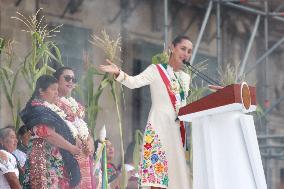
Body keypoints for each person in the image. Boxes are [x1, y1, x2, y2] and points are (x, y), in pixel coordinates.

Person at [99, 36, 192, 189]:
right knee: (157, 178)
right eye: (183, 49)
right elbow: (133, 82)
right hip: (159, 128)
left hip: (176, 131)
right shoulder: (156, 70)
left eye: (189, 51)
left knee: (175, 180)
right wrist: (118, 73)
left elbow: (183, 105)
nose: (186, 54)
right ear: (172, 47)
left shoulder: (185, 78)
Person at [20, 75, 81, 188]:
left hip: (53, 160)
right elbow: (47, 134)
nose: (56, 93)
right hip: (43, 159)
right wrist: (71, 148)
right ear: (41, 91)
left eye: (57, 90)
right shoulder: (37, 110)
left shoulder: (45, 108)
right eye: (53, 89)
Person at [53, 67, 95, 189]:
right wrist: (72, 139)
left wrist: (90, 142)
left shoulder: (76, 105)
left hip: (83, 156)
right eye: (67, 78)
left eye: (73, 79)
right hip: (64, 156)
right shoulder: (51, 103)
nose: (71, 81)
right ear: (56, 81)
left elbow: (85, 130)